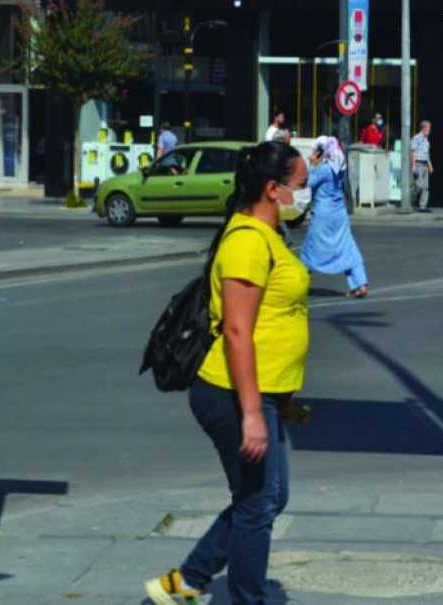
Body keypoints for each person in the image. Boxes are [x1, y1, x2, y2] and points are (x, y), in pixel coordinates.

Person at [144, 142, 311, 605]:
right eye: (301, 185)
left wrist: (283, 399)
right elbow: (238, 331)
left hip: (261, 394)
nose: (306, 195)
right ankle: (243, 598)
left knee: (266, 499)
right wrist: (253, 413)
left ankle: (187, 581)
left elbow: (274, 321)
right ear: (273, 189)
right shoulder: (246, 243)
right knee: (258, 504)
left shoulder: (267, 237)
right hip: (230, 394)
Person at [300, 136, 370, 298]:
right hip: (339, 214)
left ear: (322, 152)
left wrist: (312, 164)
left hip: (323, 215)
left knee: (310, 249)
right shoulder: (341, 165)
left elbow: (306, 182)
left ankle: (300, 283)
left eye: (316, 150)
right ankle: (360, 284)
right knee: (348, 248)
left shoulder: (323, 169)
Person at [411, 120, 433, 213]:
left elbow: (426, 154)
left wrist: (430, 165)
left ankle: (422, 206)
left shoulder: (426, 139)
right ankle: (409, 201)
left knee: (426, 187)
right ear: (424, 128)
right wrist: (413, 166)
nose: (430, 130)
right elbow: (412, 152)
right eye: (429, 128)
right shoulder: (417, 138)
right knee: (418, 186)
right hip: (418, 164)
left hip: (425, 164)